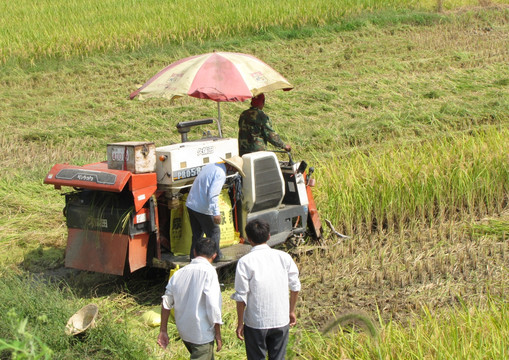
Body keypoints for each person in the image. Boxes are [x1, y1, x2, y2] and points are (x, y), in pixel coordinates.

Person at [231, 219, 301, 360]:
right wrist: (291, 311)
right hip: (280, 319)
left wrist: (240, 323)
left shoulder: (245, 262)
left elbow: (241, 296)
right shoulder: (284, 257)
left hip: (256, 322)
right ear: (269, 236)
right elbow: (295, 287)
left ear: (248, 239)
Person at [157, 238, 223, 359]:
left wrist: (163, 330)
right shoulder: (209, 272)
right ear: (214, 255)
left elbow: (166, 302)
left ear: (194, 252)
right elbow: (213, 306)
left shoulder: (179, 273)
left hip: (185, 332)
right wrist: (218, 333)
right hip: (201, 334)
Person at [186, 156, 245, 262]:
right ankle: (216, 256)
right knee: (214, 231)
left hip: (192, 204)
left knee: (197, 234)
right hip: (202, 207)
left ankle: (193, 257)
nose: (235, 171)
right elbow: (213, 195)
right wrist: (216, 213)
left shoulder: (212, 166)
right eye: (236, 169)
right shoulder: (220, 174)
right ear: (231, 167)